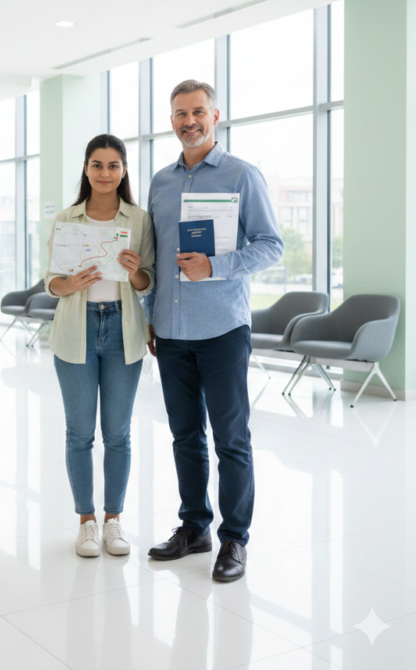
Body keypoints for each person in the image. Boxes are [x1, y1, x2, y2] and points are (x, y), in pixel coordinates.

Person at [144, 79, 283, 582]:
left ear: (215, 115)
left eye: (197, 111)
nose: (188, 121)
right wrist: (149, 314)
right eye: (180, 113)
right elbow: (156, 259)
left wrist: (217, 266)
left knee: (231, 439)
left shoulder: (243, 175)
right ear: (172, 120)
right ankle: (195, 527)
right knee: (185, 436)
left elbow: (272, 246)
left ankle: (234, 539)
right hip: (172, 331)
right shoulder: (160, 182)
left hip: (223, 329)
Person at [45, 134, 155, 558]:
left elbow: (149, 282)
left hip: (123, 328)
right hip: (77, 327)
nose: (105, 173)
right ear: (86, 170)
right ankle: (86, 522)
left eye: (113, 165)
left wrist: (135, 273)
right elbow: (52, 281)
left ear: (124, 170)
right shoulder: (67, 219)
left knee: (118, 434)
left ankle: (114, 521)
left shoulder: (140, 220)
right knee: (79, 433)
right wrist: (69, 284)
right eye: (97, 165)